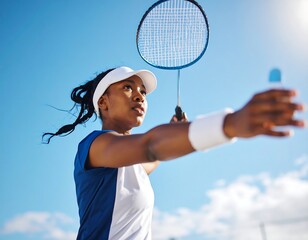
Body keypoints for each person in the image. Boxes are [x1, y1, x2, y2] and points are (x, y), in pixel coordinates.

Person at [43, 66, 305, 240]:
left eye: (143, 92)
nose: (139, 96)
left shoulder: (128, 164)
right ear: (103, 102)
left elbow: (152, 157)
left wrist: (174, 133)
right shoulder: (96, 145)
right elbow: (150, 146)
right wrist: (231, 124)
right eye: (127, 88)